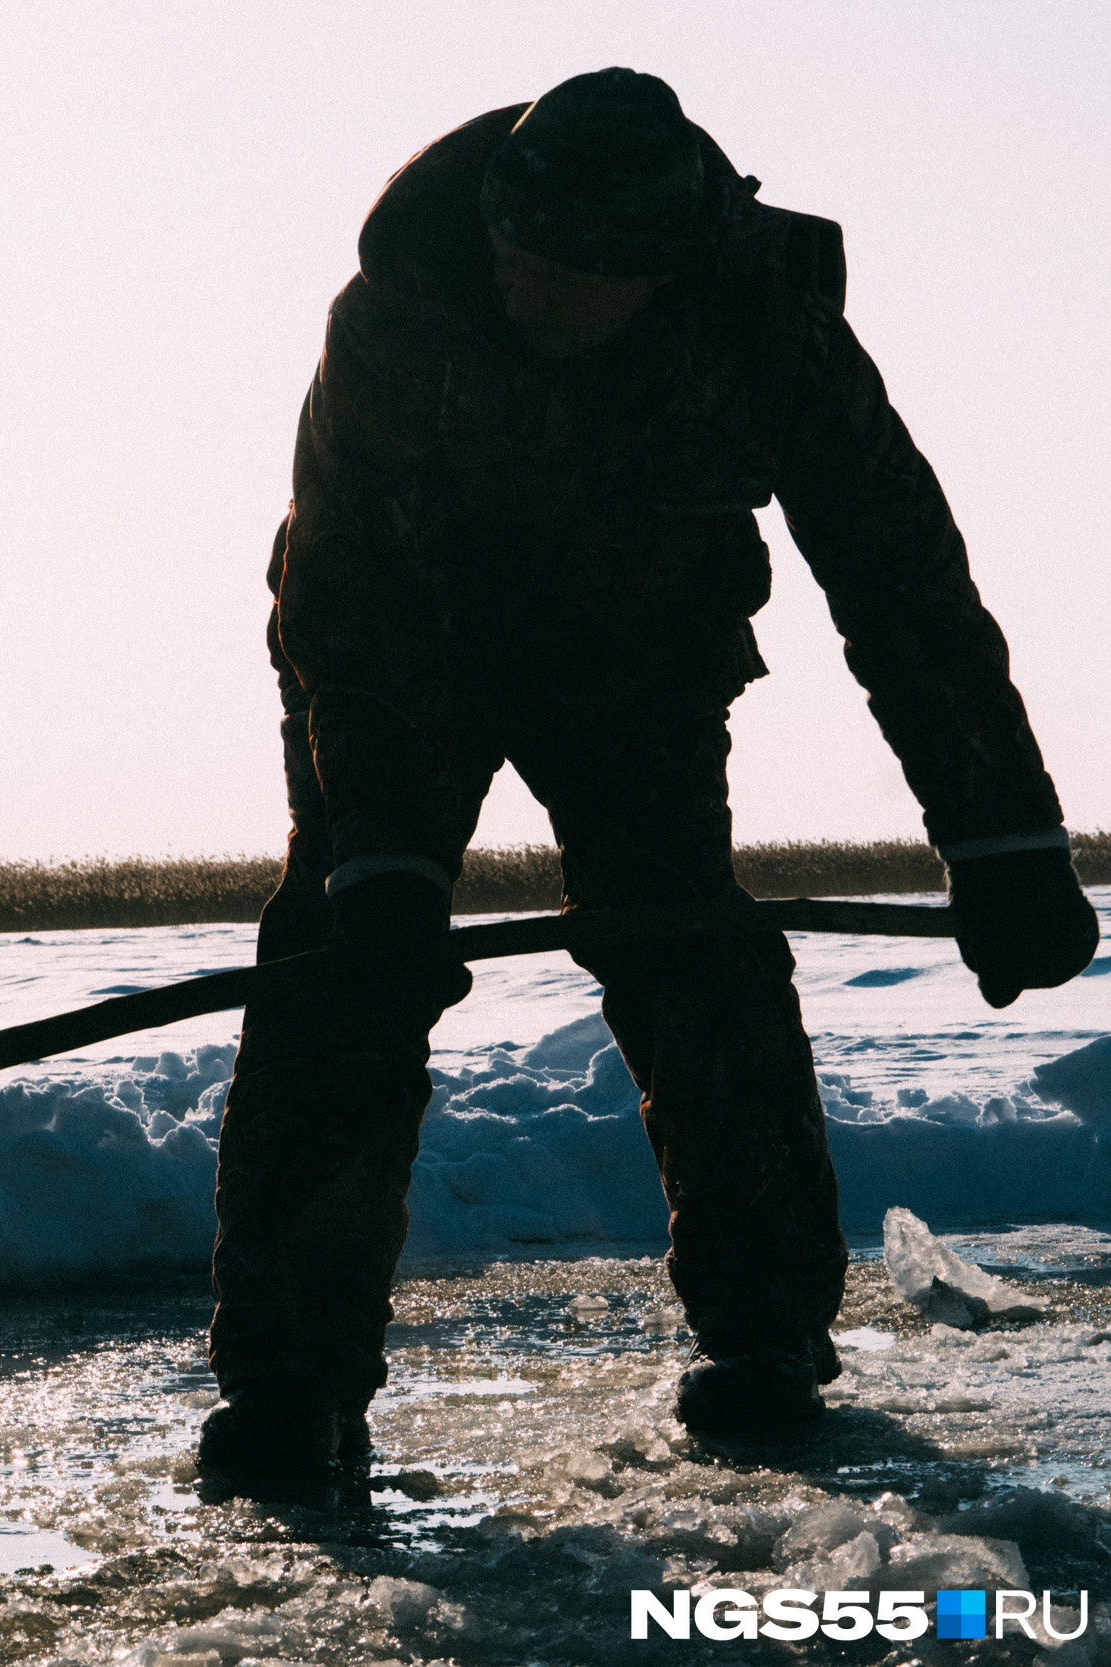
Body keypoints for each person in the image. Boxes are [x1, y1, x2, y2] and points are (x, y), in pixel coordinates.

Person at [204, 68, 1098, 1479]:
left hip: (639, 664)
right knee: (338, 965)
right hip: (405, 661)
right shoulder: (393, 313)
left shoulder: (771, 332)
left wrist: (1003, 844)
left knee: (686, 942)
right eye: (520, 261)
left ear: (658, 270)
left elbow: (904, 585)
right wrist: (380, 853)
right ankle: (287, 1382)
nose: (534, 296)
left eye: (572, 278)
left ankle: (764, 1337)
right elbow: (350, 602)